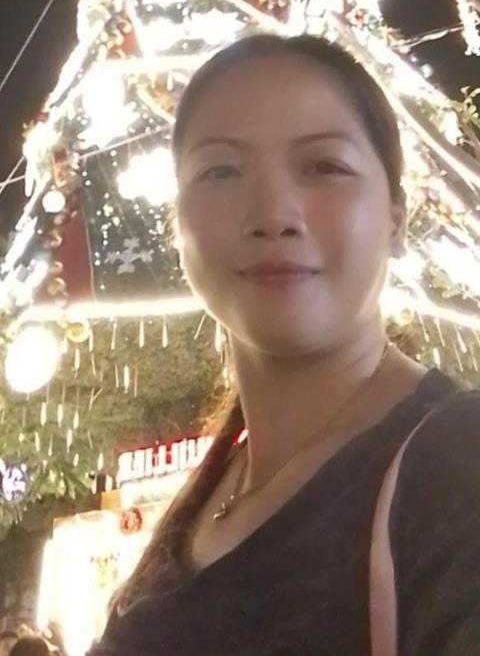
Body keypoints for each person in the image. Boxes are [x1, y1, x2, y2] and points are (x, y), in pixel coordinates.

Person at [89, 34, 480, 655]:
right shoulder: (211, 489)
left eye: (324, 166)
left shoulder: (459, 464)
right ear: (177, 221)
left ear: (396, 218)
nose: (273, 214)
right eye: (221, 170)